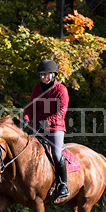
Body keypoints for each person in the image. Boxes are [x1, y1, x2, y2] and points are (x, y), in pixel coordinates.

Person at [22, 59, 70, 199]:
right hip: (38, 126)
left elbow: (62, 111)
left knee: (55, 153)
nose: (44, 77)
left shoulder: (61, 89)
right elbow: (31, 107)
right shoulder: (37, 89)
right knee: (23, 148)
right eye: (41, 75)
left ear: (54, 74)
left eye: (46, 74)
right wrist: (26, 118)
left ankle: (63, 184)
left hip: (56, 127)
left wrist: (47, 121)